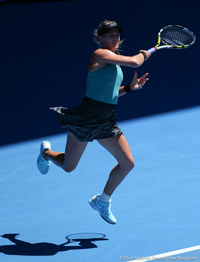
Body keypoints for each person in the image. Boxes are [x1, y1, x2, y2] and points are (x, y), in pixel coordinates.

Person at [37, 20, 151, 225]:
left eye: (117, 34)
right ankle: (45, 153)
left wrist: (130, 88)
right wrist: (145, 53)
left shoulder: (114, 61)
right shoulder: (100, 55)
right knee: (69, 167)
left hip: (106, 119)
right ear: (100, 38)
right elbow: (135, 62)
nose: (115, 38)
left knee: (127, 164)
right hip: (87, 118)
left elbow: (110, 94)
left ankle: (103, 200)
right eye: (110, 35)